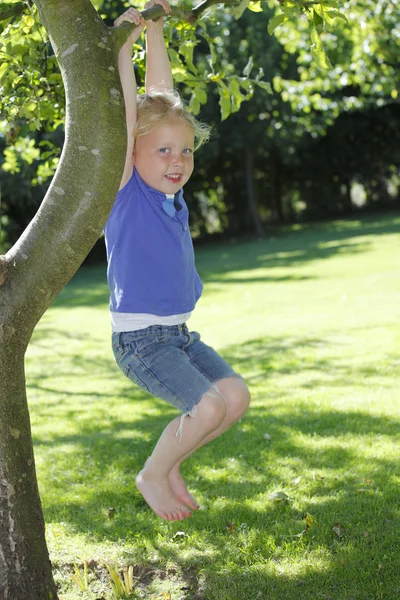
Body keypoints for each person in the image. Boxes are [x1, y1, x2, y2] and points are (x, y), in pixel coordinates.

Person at [106, 0, 251, 522]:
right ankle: (151, 473)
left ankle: (170, 466)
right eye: (163, 151)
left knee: (233, 396)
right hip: (141, 341)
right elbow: (131, 113)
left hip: (179, 335)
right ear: (135, 153)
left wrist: (158, 31)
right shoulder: (126, 191)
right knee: (208, 406)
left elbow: (162, 99)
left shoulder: (172, 197)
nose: (178, 161)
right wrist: (124, 42)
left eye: (185, 151)